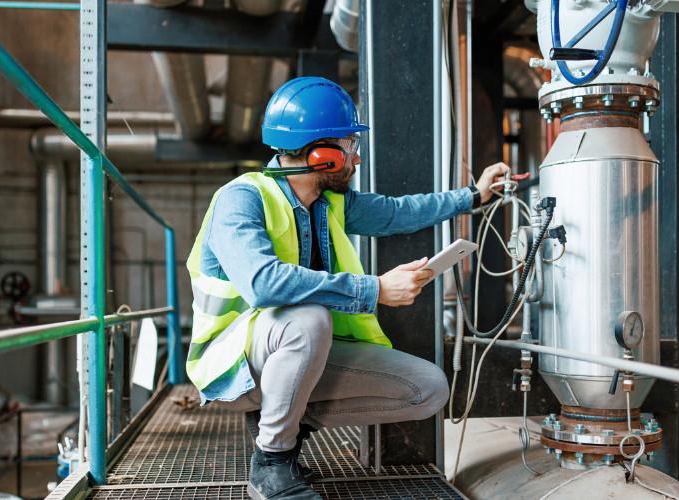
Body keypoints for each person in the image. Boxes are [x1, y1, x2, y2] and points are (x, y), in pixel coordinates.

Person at [186, 76, 509, 500]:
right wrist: (374, 289)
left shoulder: (331, 202)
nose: (355, 159)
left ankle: (285, 418)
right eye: (350, 147)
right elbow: (263, 283)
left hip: (296, 356)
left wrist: (473, 196)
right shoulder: (241, 200)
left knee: (429, 389)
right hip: (234, 364)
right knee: (308, 319)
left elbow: (399, 212)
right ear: (324, 155)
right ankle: (271, 464)